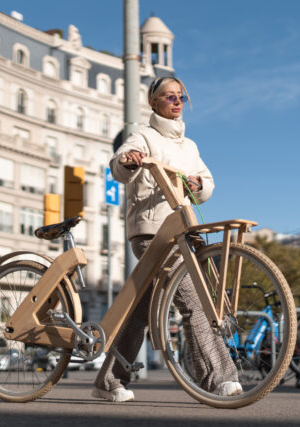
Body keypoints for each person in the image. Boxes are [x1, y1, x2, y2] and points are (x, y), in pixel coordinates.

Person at [91, 77, 241, 403]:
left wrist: (198, 182)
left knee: (140, 312)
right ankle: (217, 379)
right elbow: (120, 165)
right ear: (154, 103)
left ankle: (108, 381)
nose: (176, 101)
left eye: (180, 97)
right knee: (194, 300)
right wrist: (129, 159)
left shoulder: (190, 147)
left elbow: (207, 186)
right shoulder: (143, 136)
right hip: (150, 233)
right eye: (168, 96)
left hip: (180, 231)